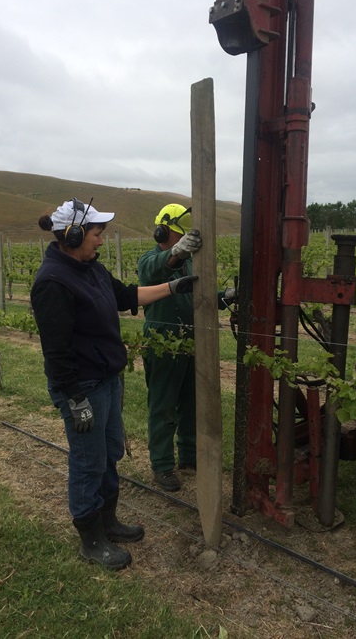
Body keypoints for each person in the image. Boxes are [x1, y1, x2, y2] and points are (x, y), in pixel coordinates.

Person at [31, 198, 198, 570]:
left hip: (107, 380)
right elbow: (55, 352)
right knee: (88, 461)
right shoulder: (53, 283)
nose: (101, 240)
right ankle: (91, 539)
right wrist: (75, 398)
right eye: (96, 233)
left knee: (109, 454)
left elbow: (127, 295)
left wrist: (176, 287)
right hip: (82, 387)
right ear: (73, 235)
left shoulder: (90, 268)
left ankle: (108, 521)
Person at [138, 204, 233, 492]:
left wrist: (225, 297)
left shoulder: (191, 263)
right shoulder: (151, 260)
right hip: (163, 343)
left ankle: (189, 456)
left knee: (192, 402)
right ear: (163, 230)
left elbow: (201, 295)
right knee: (163, 406)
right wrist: (175, 253)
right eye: (179, 235)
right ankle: (163, 465)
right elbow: (149, 273)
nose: (184, 243)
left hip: (192, 341)